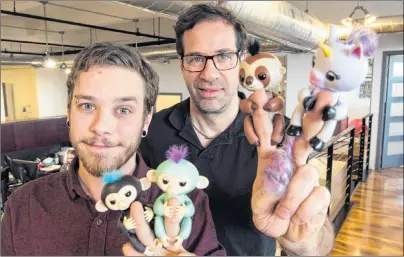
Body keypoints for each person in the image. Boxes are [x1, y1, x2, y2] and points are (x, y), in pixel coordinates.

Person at [139, 3, 335, 256]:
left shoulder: (282, 135)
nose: (209, 74)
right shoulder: (151, 131)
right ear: (182, 64)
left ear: (241, 61)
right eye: (196, 58)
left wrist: (302, 239)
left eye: (223, 56)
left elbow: (319, 243)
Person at [0, 42, 225, 256]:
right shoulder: (23, 205)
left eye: (124, 110)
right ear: (69, 113)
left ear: (146, 120)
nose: (101, 127)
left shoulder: (187, 203)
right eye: (87, 106)